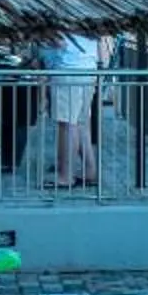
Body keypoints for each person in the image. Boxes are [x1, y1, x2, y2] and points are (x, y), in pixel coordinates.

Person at [45, 31, 104, 186]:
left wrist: (43, 38)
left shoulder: (63, 13)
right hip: (88, 70)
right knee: (81, 123)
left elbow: (60, 42)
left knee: (67, 124)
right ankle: (90, 171)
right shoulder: (90, 15)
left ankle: (65, 175)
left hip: (68, 70)